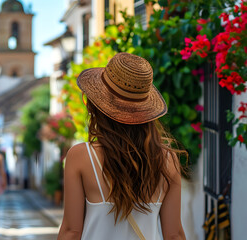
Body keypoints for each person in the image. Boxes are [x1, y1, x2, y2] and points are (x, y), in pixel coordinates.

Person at [58, 52, 186, 240]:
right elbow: (174, 235)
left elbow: (71, 231)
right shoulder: (168, 160)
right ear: (146, 112)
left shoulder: (82, 157)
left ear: (95, 106)